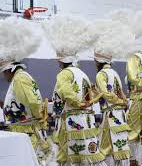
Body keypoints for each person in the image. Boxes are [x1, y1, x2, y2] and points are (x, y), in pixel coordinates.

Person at [0, 17, 50, 165]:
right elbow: (25, 101)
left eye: (4, 72)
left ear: (10, 69)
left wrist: (38, 117)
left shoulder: (20, 78)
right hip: (23, 130)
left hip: (26, 132)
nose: (4, 76)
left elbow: (33, 101)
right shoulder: (20, 78)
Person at [43, 15, 106, 166]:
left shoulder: (64, 74)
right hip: (86, 120)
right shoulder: (82, 73)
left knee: (70, 154)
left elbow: (66, 92)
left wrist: (78, 102)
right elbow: (90, 96)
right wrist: (86, 103)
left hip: (71, 120)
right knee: (86, 152)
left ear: (62, 60)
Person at [90, 19, 134, 166]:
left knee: (105, 147)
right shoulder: (114, 72)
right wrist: (122, 101)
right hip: (120, 114)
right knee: (119, 145)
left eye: (95, 60)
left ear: (98, 61)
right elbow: (118, 92)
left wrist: (119, 100)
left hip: (110, 115)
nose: (94, 62)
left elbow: (108, 94)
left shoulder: (101, 74)